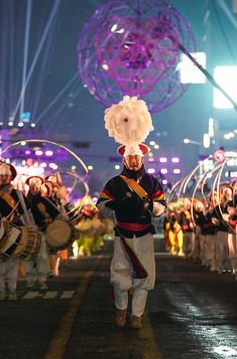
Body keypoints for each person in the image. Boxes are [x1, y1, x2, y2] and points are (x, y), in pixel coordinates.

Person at [96, 95, 165, 330]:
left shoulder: (153, 182)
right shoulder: (115, 182)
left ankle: (137, 316)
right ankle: (121, 311)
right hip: (122, 234)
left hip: (145, 234)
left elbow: (162, 207)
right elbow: (102, 205)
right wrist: (116, 206)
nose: (134, 161)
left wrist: (150, 206)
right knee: (120, 275)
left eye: (137, 157)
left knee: (144, 277)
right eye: (130, 158)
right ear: (125, 159)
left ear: (142, 158)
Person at [0, 162, 30, 300]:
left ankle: (12, 289)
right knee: (0, 260)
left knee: (13, 260)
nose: (4, 177)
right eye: (1, 175)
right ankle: (1, 289)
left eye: (6, 175)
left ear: (11, 177)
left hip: (15, 228)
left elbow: (25, 211)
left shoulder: (18, 194)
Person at [24, 175, 50, 290]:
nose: (34, 189)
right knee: (29, 257)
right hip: (29, 233)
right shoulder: (24, 201)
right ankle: (29, 279)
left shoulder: (44, 200)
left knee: (42, 257)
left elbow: (54, 215)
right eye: (32, 187)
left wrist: (49, 219)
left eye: (36, 187)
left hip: (41, 232)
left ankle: (42, 279)